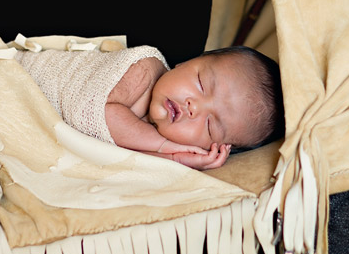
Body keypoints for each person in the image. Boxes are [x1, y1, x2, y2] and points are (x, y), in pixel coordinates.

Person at [16, 44, 284, 170]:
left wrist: (177, 161)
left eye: (210, 125)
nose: (194, 107)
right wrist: (167, 148)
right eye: (201, 83)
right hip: (17, 77)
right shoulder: (143, 67)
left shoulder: (157, 137)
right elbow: (92, 113)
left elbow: (124, 159)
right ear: (187, 62)